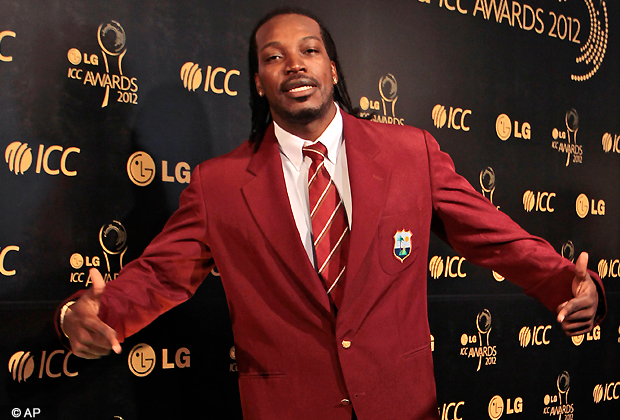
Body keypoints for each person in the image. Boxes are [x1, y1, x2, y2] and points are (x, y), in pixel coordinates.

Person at [57, 8, 605, 420]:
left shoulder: (410, 152)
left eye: (309, 50)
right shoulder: (218, 184)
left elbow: (495, 237)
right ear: (257, 82)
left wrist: (567, 283)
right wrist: (95, 315)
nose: (293, 63)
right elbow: (159, 274)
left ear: (333, 68)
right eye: (273, 56)